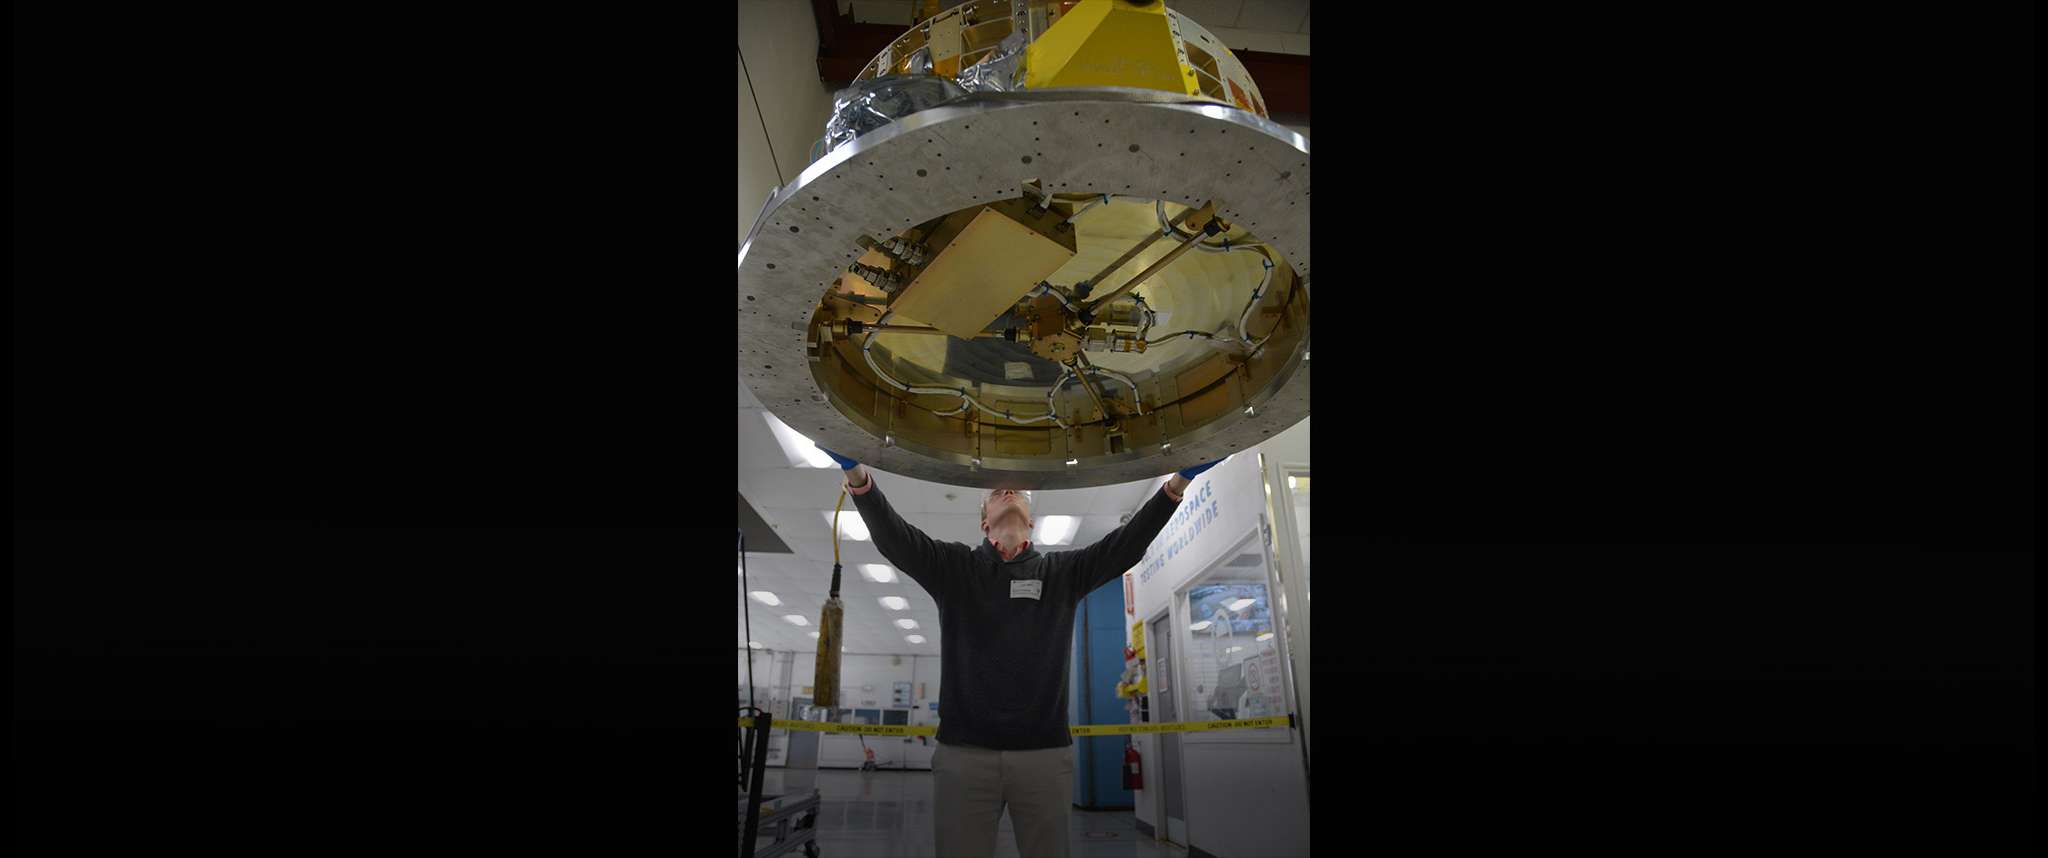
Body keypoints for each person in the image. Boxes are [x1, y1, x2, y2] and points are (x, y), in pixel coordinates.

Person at [820, 448, 1220, 858]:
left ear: (1031, 519)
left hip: (1044, 756)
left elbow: (1125, 545)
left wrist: (1177, 484)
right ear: (983, 521)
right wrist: (856, 474)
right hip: (963, 755)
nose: (1006, 489)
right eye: (994, 494)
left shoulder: (1063, 573)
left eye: (1017, 493)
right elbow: (895, 538)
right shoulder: (953, 567)